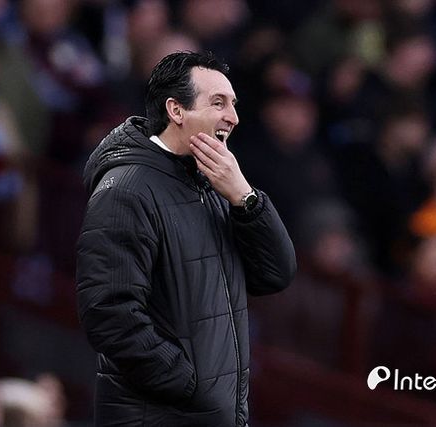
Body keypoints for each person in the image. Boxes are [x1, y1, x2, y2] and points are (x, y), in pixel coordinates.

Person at [75, 51, 296, 426]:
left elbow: (275, 274)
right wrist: (189, 385)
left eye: (233, 104)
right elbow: (108, 312)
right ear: (176, 110)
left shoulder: (215, 186)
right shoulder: (126, 189)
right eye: (218, 103)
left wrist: (245, 198)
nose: (233, 116)